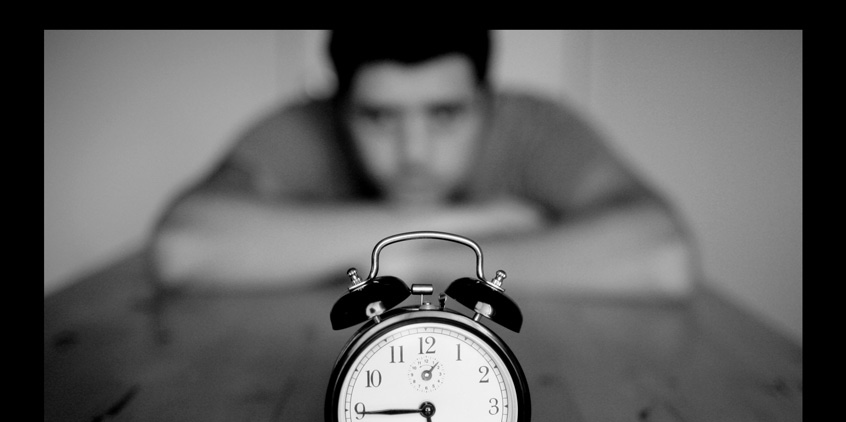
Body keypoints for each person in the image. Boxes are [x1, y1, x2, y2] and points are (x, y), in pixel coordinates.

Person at [148, 30, 696, 298]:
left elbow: (661, 256)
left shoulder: (535, 124)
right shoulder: (306, 126)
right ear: (338, 110)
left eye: (445, 115)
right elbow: (185, 245)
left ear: (489, 103)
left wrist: (414, 259)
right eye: (379, 117)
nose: (413, 153)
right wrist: (477, 225)